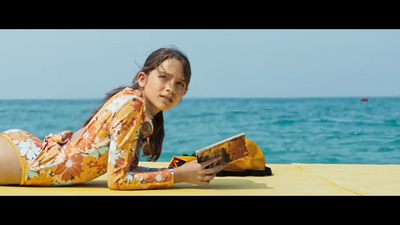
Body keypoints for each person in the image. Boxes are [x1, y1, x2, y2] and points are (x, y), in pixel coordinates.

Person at [0, 47, 225, 190]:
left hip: (31, 153)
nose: (170, 88)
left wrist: (182, 170)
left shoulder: (138, 106)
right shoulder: (133, 107)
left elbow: (124, 171)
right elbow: (118, 181)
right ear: (143, 78)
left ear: (184, 93)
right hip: (30, 162)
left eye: (180, 84)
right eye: (164, 77)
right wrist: (178, 176)